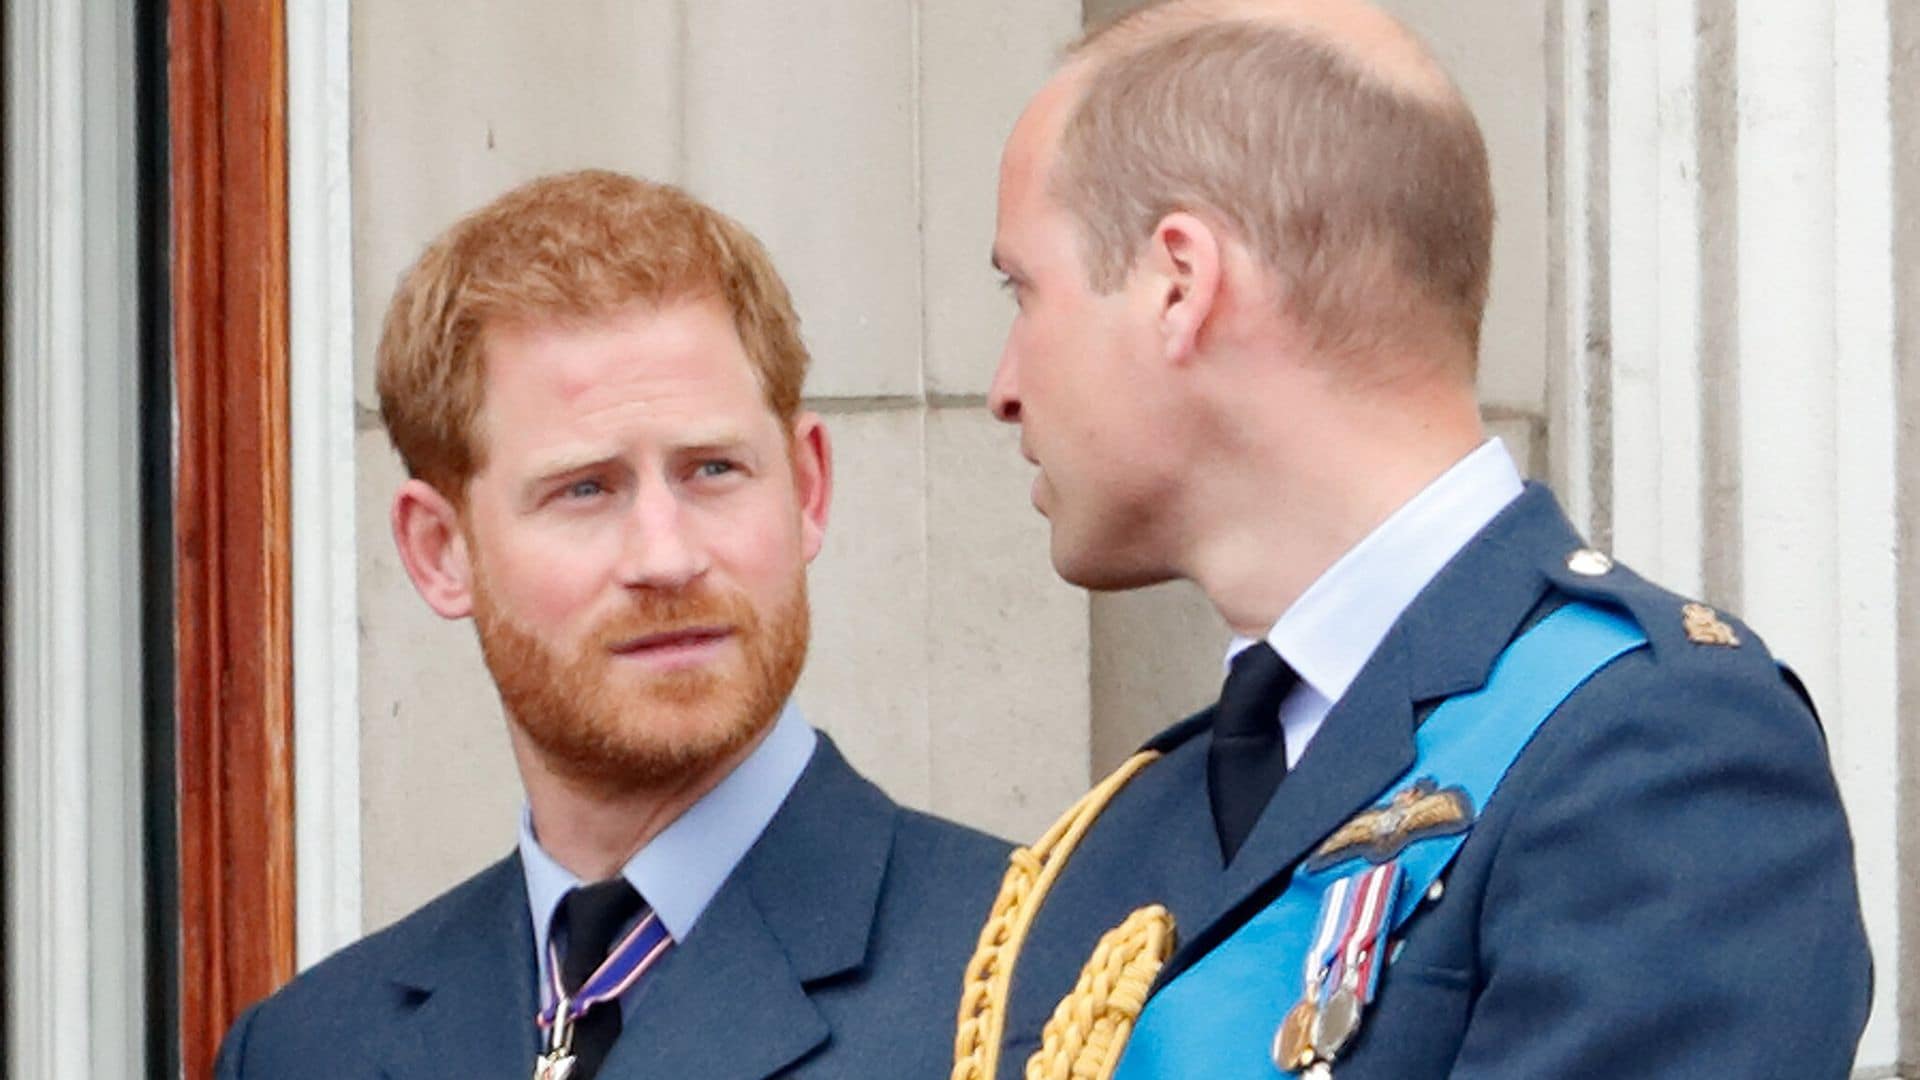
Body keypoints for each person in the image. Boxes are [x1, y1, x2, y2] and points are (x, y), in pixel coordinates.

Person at [951, 2, 1872, 1078]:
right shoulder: (1128, 828)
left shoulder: (1653, 745)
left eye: (1026, 292)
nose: (1004, 390)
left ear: (1179, 284)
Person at [216, 170, 1008, 1080]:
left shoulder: (1028, 979)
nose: (665, 557)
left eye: (713, 470)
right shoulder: (307, 1050)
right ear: (441, 550)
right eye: (585, 489)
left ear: (809, 488)